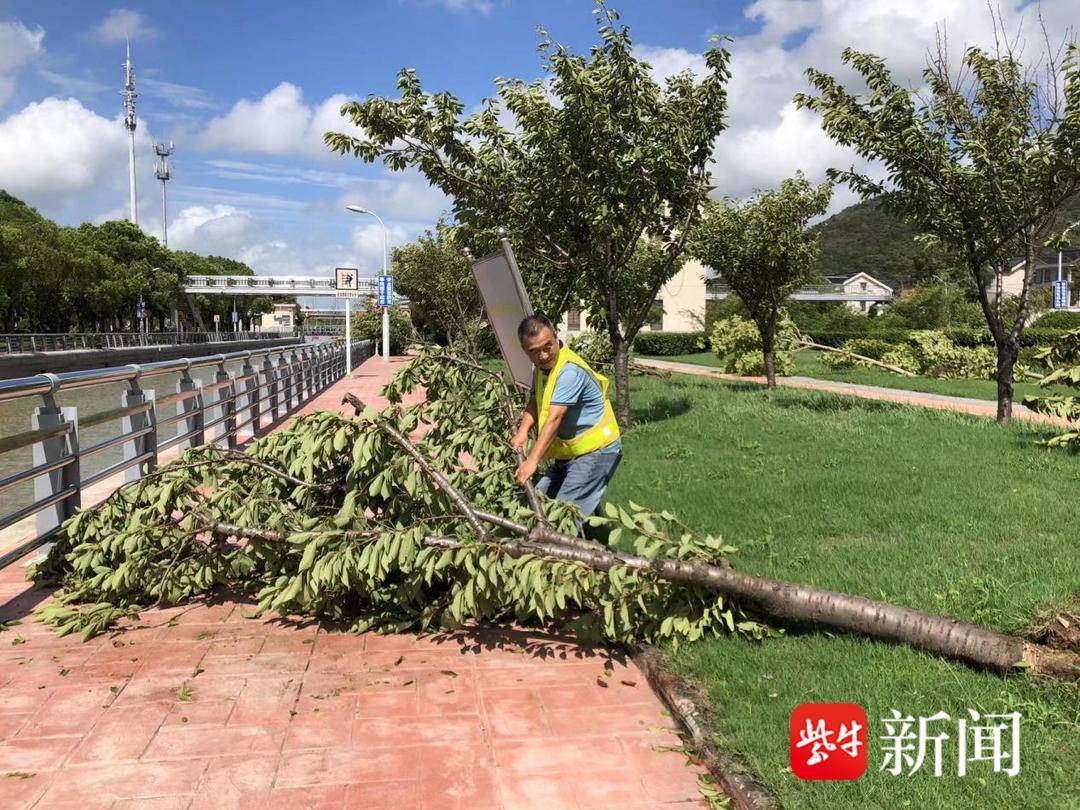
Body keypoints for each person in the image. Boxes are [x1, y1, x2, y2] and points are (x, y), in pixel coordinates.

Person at [511, 314, 622, 522]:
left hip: (596, 452)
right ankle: (591, 534)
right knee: (537, 503)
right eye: (534, 352)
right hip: (570, 454)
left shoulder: (569, 372)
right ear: (525, 352)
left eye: (547, 346)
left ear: (556, 337)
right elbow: (535, 400)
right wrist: (523, 431)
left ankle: (572, 550)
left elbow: (555, 417)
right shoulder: (540, 369)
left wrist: (532, 460)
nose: (543, 356)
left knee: (562, 517)